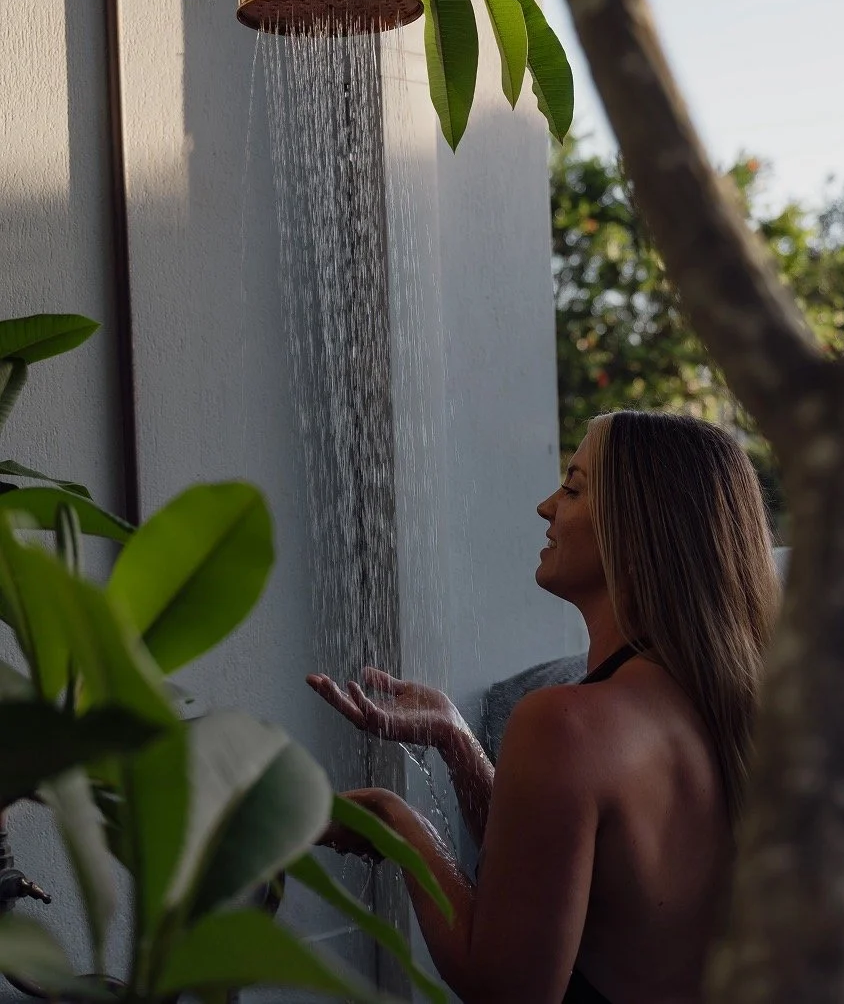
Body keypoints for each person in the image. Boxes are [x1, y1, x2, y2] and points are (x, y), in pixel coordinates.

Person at [307, 410, 781, 1004]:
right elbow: (557, 877)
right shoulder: (725, 704)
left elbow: (507, 989)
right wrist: (458, 741)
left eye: (574, 487)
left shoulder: (564, 722)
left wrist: (400, 824)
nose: (546, 507)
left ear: (638, 529)